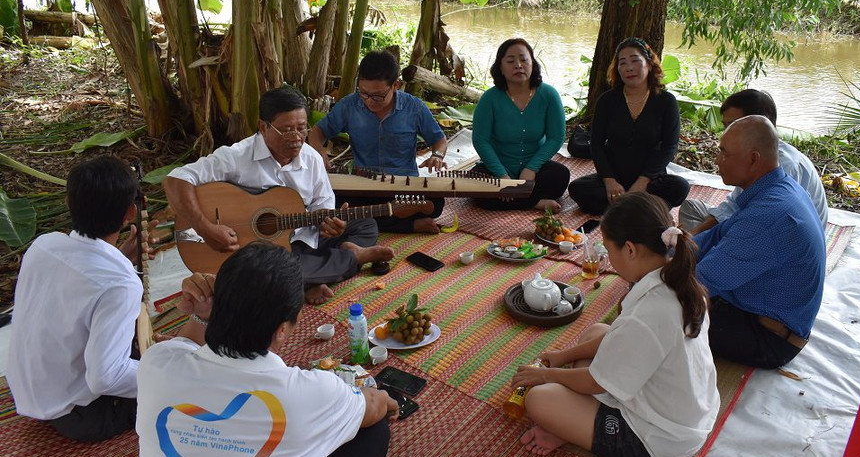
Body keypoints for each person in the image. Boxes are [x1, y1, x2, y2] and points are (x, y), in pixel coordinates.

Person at [136, 243, 398, 457]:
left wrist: (202, 313)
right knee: (373, 431)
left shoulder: (157, 363)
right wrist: (386, 400)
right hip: (311, 411)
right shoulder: (310, 393)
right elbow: (372, 407)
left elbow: (186, 344)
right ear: (282, 329)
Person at [510, 192, 719, 457]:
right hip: (683, 411)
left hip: (659, 438)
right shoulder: (677, 280)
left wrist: (546, 375)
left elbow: (595, 382)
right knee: (598, 330)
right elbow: (622, 340)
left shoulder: (648, 316)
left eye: (609, 250)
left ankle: (567, 429)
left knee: (540, 399)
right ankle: (574, 418)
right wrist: (564, 355)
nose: (608, 258)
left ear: (630, 249)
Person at [164, 85, 395, 306]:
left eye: (302, 128)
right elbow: (176, 179)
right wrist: (206, 229)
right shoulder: (236, 157)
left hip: (301, 239)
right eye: (286, 129)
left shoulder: (311, 158)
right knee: (262, 277)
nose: (296, 137)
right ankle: (348, 260)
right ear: (263, 127)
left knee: (366, 224)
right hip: (259, 256)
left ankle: (313, 274)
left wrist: (329, 224)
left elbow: (321, 206)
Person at [6, 155, 145, 442]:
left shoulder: (43, 245)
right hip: (79, 417)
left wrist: (117, 260)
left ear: (68, 202)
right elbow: (105, 377)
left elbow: (80, 284)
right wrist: (162, 373)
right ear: (130, 213)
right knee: (171, 380)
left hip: (26, 388)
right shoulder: (120, 283)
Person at [694, 116, 826, 369]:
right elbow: (717, 235)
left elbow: (697, 282)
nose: (717, 161)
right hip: (757, 310)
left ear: (754, 159)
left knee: (658, 311)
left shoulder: (768, 217)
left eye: (724, 153)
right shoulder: (776, 187)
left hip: (768, 340)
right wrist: (677, 247)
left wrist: (649, 279)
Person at [308, 50, 447, 234]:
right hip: (363, 186)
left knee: (436, 204)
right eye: (364, 93)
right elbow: (316, 133)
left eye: (378, 96)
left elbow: (439, 140)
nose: (369, 101)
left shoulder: (414, 107)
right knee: (333, 206)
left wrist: (437, 155)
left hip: (403, 187)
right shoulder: (350, 105)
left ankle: (380, 219)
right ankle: (408, 225)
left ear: (396, 85)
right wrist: (319, 150)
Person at [679, 88, 828, 234]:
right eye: (725, 127)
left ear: (758, 124)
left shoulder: (785, 167)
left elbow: (764, 224)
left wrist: (700, 240)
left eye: (733, 125)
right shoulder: (753, 157)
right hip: (752, 221)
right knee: (691, 208)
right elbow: (734, 205)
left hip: (780, 238)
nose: (726, 133)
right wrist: (693, 237)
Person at [568, 37, 690, 215]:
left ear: (649, 64)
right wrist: (609, 180)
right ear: (617, 69)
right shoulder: (607, 100)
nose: (629, 68)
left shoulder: (665, 101)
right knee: (578, 189)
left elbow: (670, 146)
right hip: (615, 179)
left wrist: (643, 181)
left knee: (680, 187)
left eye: (635, 61)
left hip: (650, 180)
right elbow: (596, 144)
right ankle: (642, 209)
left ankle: (623, 208)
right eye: (622, 63)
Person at [471, 38, 570, 211]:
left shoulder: (549, 95)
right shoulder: (490, 99)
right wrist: (501, 175)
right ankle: (535, 203)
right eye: (510, 61)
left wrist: (531, 168)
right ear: (500, 67)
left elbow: (556, 137)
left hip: (536, 168)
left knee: (560, 176)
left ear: (533, 64)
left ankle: (511, 199)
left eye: (524, 60)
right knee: (474, 183)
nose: (518, 65)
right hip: (498, 167)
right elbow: (481, 140)